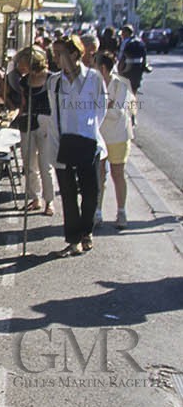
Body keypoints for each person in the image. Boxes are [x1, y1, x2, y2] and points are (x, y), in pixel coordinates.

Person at [48, 35, 107, 255]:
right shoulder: (54, 82)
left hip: (88, 143)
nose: (55, 59)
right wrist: (55, 149)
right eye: (53, 54)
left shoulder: (93, 79)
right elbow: (54, 116)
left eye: (59, 54)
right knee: (68, 195)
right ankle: (73, 240)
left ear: (74, 54)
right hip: (64, 144)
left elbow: (100, 110)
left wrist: (87, 131)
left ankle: (86, 231)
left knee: (91, 192)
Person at [11, 46, 54, 213]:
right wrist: (15, 117)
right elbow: (22, 104)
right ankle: (35, 197)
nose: (21, 66)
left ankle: (49, 201)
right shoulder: (24, 80)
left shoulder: (51, 79)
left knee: (45, 164)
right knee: (29, 164)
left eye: (23, 62)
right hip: (27, 122)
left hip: (45, 122)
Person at [97, 50, 136, 228]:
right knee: (98, 175)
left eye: (95, 66)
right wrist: (107, 105)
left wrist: (102, 106)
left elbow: (118, 113)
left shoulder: (121, 85)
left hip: (118, 136)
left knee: (117, 174)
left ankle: (121, 213)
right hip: (99, 136)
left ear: (103, 68)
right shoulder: (94, 83)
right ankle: (97, 212)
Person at [118, 25, 149, 94]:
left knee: (126, 89)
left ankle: (128, 103)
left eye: (122, 33)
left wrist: (119, 68)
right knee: (134, 88)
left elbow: (122, 56)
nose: (121, 35)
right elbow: (144, 55)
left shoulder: (126, 42)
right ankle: (133, 103)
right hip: (138, 67)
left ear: (126, 33)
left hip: (127, 67)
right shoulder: (139, 41)